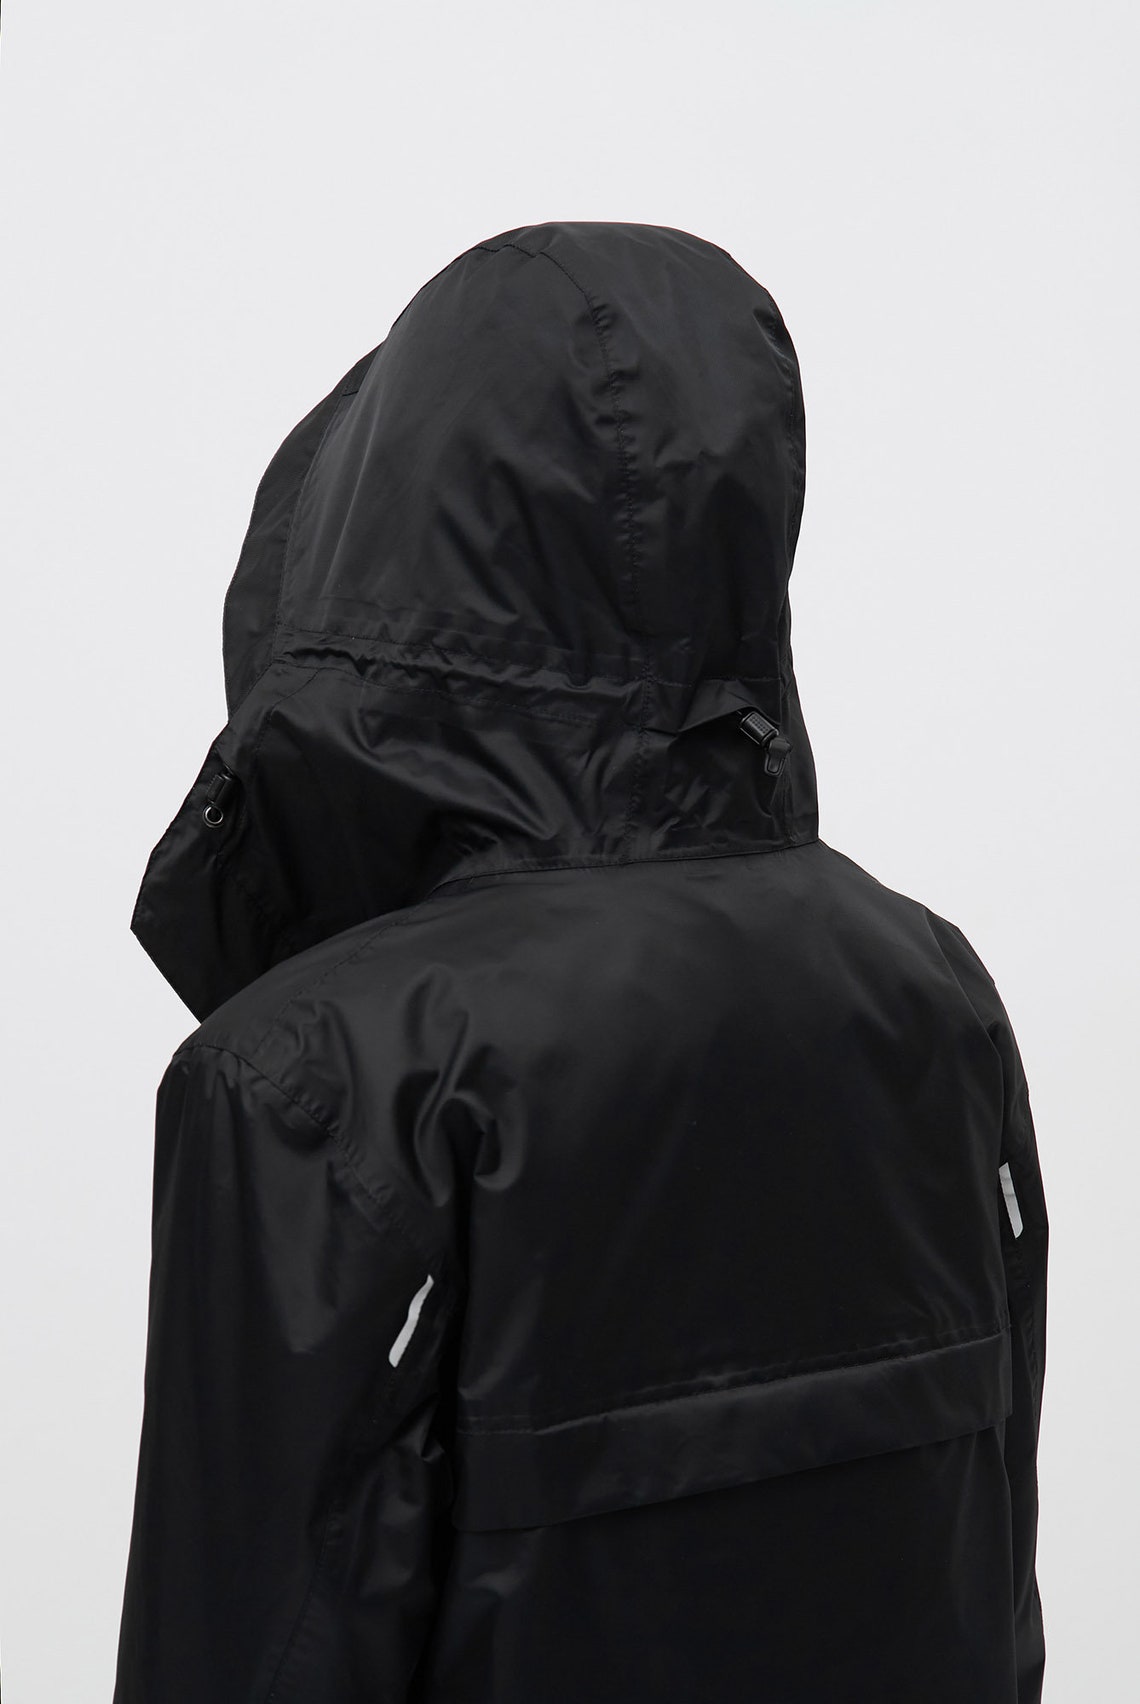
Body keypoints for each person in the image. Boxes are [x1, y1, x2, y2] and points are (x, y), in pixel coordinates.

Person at [114, 221, 1048, 1702]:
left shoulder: (319, 1075)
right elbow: (990, 1571)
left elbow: (249, 1648)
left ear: (382, 521)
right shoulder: (934, 992)